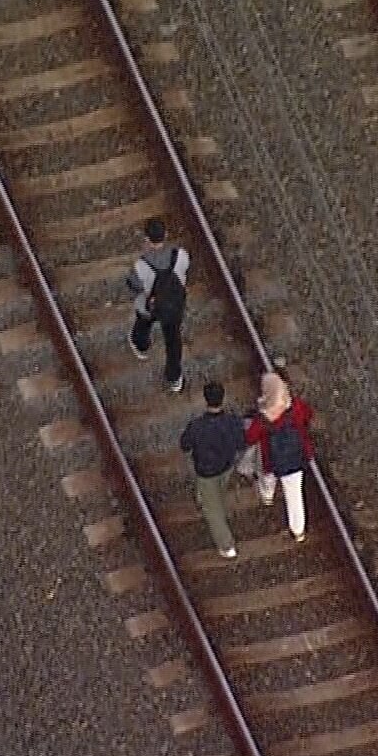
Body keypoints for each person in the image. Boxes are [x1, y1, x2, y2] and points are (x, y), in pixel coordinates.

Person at [179, 380, 246, 559]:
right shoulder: (233, 422)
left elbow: (184, 445)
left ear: (205, 399)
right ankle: (215, 502)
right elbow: (241, 443)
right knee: (220, 490)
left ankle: (226, 545)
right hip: (227, 466)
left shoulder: (197, 426)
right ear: (223, 399)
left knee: (212, 511)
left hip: (205, 471)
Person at [245, 372, 314, 542]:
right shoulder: (295, 407)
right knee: (294, 496)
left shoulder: (262, 418)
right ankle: (298, 531)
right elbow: (308, 414)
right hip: (296, 458)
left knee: (267, 476)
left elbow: (250, 437)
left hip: (271, 461)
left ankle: (267, 496)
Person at [125, 218, 189, 393]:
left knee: (143, 320)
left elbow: (133, 285)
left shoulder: (141, 265)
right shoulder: (181, 255)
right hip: (174, 306)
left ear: (146, 239)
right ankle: (174, 377)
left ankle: (141, 345)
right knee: (173, 340)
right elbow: (184, 274)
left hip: (151, 305)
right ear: (166, 235)